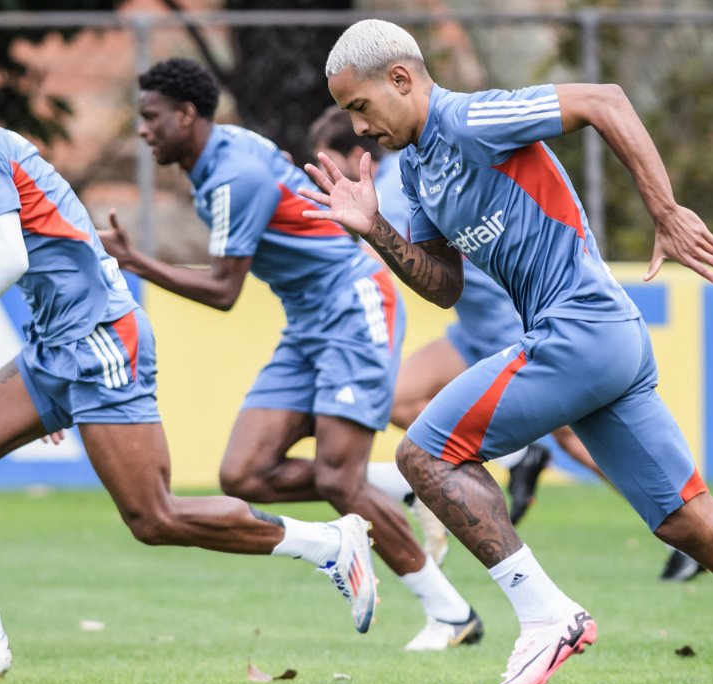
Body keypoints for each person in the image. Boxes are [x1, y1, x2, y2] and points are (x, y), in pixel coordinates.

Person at [302, 20, 713, 684]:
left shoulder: (472, 118)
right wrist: (376, 231)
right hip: (601, 340)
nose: (358, 127)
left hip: (579, 328)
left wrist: (665, 212)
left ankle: (546, 615)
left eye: (360, 106)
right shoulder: (419, 173)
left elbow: (604, 99)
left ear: (401, 79)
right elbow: (445, 286)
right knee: (688, 520)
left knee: (425, 453)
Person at [0, 49, 381, 681]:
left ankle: (328, 544)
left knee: (154, 517)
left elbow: (8, 258)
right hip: (61, 345)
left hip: (99, 341)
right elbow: (58, 247)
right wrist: (47, 385)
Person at [97, 58, 481, 652]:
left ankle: (451, 614)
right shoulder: (223, 153)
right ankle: (401, 484)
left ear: (187, 115)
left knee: (338, 480)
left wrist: (135, 262)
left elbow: (223, 291)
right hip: (308, 323)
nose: (143, 130)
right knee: (244, 473)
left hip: (352, 307)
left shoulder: (233, 175)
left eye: (151, 117)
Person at [308, 106, 705, 582]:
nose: (328, 180)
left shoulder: (391, 186)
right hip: (473, 329)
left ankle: (682, 530)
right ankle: (515, 457)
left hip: (509, 322)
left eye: (330, 163)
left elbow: (370, 264)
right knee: (396, 397)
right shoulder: (408, 174)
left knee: (577, 437)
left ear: (356, 155)